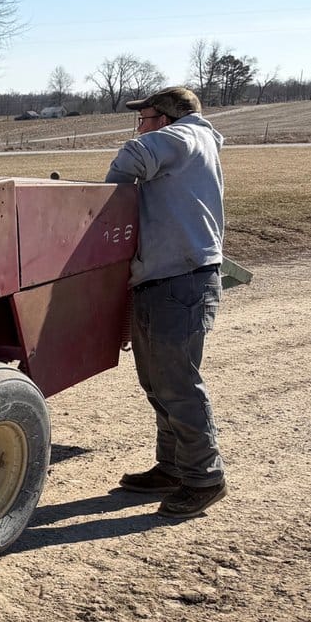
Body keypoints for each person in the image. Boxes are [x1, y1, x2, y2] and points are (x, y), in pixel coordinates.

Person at [105, 86, 226, 517]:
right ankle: (174, 466)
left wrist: (110, 202)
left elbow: (133, 156)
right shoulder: (194, 144)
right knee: (159, 382)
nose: (140, 127)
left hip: (179, 278)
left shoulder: (185, 136)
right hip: (171, 276)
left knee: (176, 383)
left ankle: (205, 477)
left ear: (166, 120)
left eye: (146, 118)